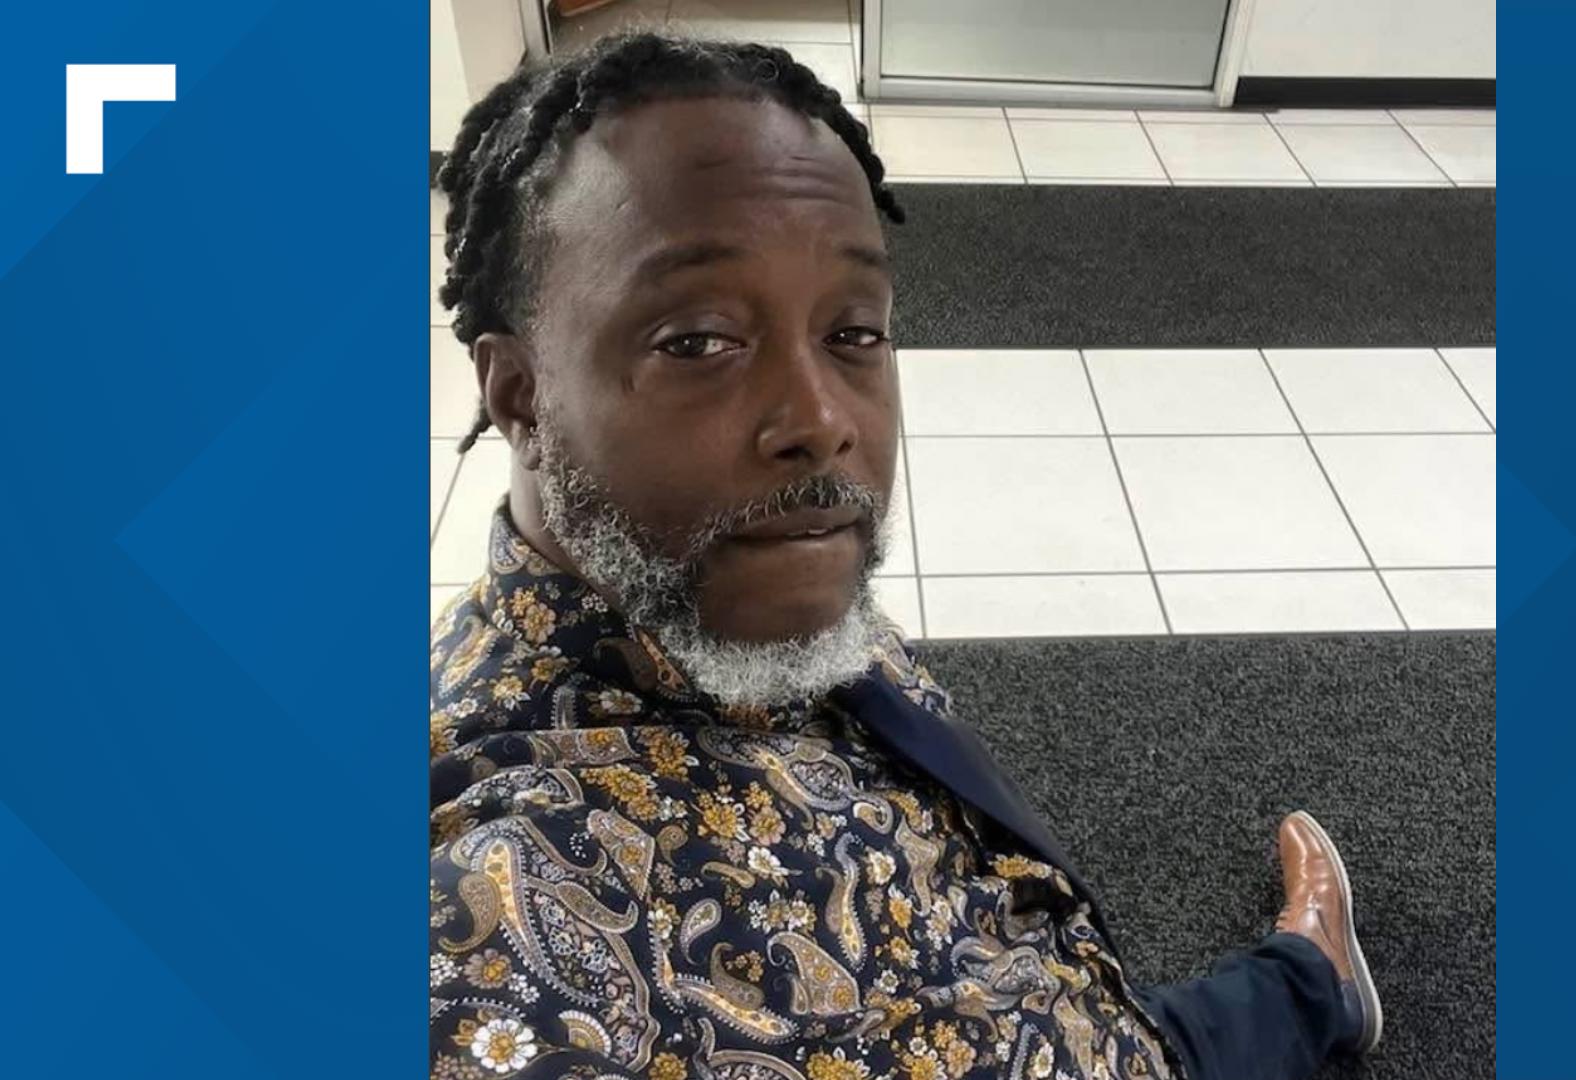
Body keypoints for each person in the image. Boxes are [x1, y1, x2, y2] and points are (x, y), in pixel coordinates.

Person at [429, 32, 1382, 1080]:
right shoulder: (506, 910)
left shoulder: (733, 576)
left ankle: (1312, 982)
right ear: (519, 394)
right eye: (697, 341)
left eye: (854, 333)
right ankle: (1311, 981)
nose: (822, 421)